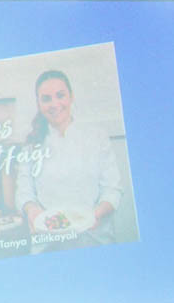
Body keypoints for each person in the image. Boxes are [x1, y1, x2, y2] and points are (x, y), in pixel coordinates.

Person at [14, 70, 122, 243]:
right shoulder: (30, 145)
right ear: (39, 104)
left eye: (60, 95)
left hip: (94, 237)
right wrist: (32, 210)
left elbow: (112, 190)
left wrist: (94, 215)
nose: (54, 104)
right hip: (49, 241)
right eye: (46, 99)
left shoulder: (97, 137)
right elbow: (24, 193)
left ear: (71, 97)